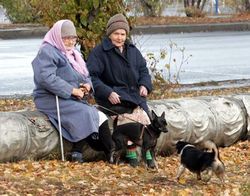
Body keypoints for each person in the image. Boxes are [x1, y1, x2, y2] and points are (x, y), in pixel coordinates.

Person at [32, 19, 114, 163]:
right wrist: (72, 90)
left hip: (70, 97)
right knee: (87, 113)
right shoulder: (47, 51)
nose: (70, 42)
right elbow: (45, 78)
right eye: (66, 38)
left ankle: (109, 151)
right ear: (57, 36)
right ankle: (84, 153)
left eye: (73, 38)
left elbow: (86, 75)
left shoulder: (74, 54)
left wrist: (87, 86)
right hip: (50, 98)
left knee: (99, 115)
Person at [87, 14, 153, 167]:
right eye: (116, 34)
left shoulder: (132, 50)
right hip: (113, 98)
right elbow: (91, 77)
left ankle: (148, 154)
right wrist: (107, 92)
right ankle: (131, 155)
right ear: (110, 34)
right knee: (128, 119)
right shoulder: (99, 52)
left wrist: (145, 85)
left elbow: (143, 70)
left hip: (134, 97)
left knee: (146, 122)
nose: (120, 37)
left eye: (123, 34)